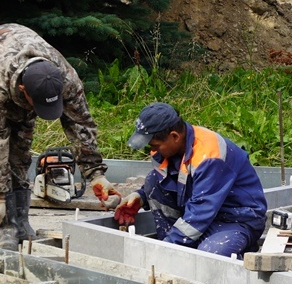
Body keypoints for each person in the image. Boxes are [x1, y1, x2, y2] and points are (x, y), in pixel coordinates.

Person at [0, 23, 120, 250]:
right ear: (23, 89)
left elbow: (80, 122)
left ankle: (21, 223)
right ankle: (6, 227)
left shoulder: (65, 78)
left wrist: (95, 174)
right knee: (0, 141)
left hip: (16, 58)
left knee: (21, 147)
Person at [114, 102, 267, 257]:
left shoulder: (209, 156)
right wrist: (141, 197)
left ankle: (235, 248)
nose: (152, 150)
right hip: (201, 213)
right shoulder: (168, 149)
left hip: (235, 220)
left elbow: (201, 211)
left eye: (155, 145)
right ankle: (177, 245)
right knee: (153, 181)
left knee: (209, 256)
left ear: (174, 136)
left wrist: (164, 251)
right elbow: (170, 182)